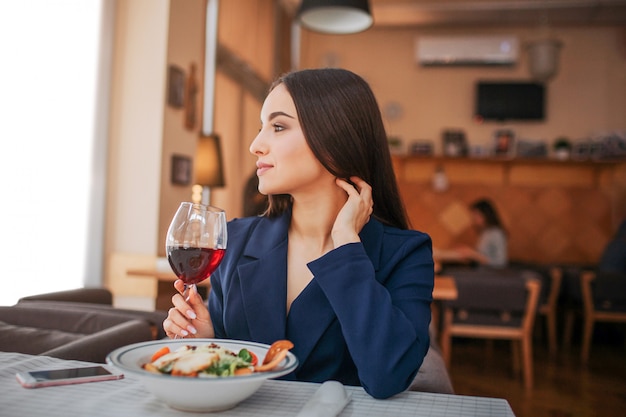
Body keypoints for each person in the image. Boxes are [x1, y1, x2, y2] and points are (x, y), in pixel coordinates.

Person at [163, 68, 434, 399]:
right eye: (260, 127)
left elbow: (388, 377)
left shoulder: (405, 254)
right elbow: (237, 369)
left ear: (335, 140)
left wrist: (347, 243)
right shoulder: (235, 241)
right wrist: (209, 343)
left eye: (278, 127)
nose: (255, 145)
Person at [434, 198, 508, 269]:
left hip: (491, 274)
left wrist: (472, 254)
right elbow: (482, 255)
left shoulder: (496, 233)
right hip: (482, 270)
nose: (474, 219)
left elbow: (500, 263)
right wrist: (469, 253)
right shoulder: (485, 232)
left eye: (476, 215)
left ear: (486, 215)